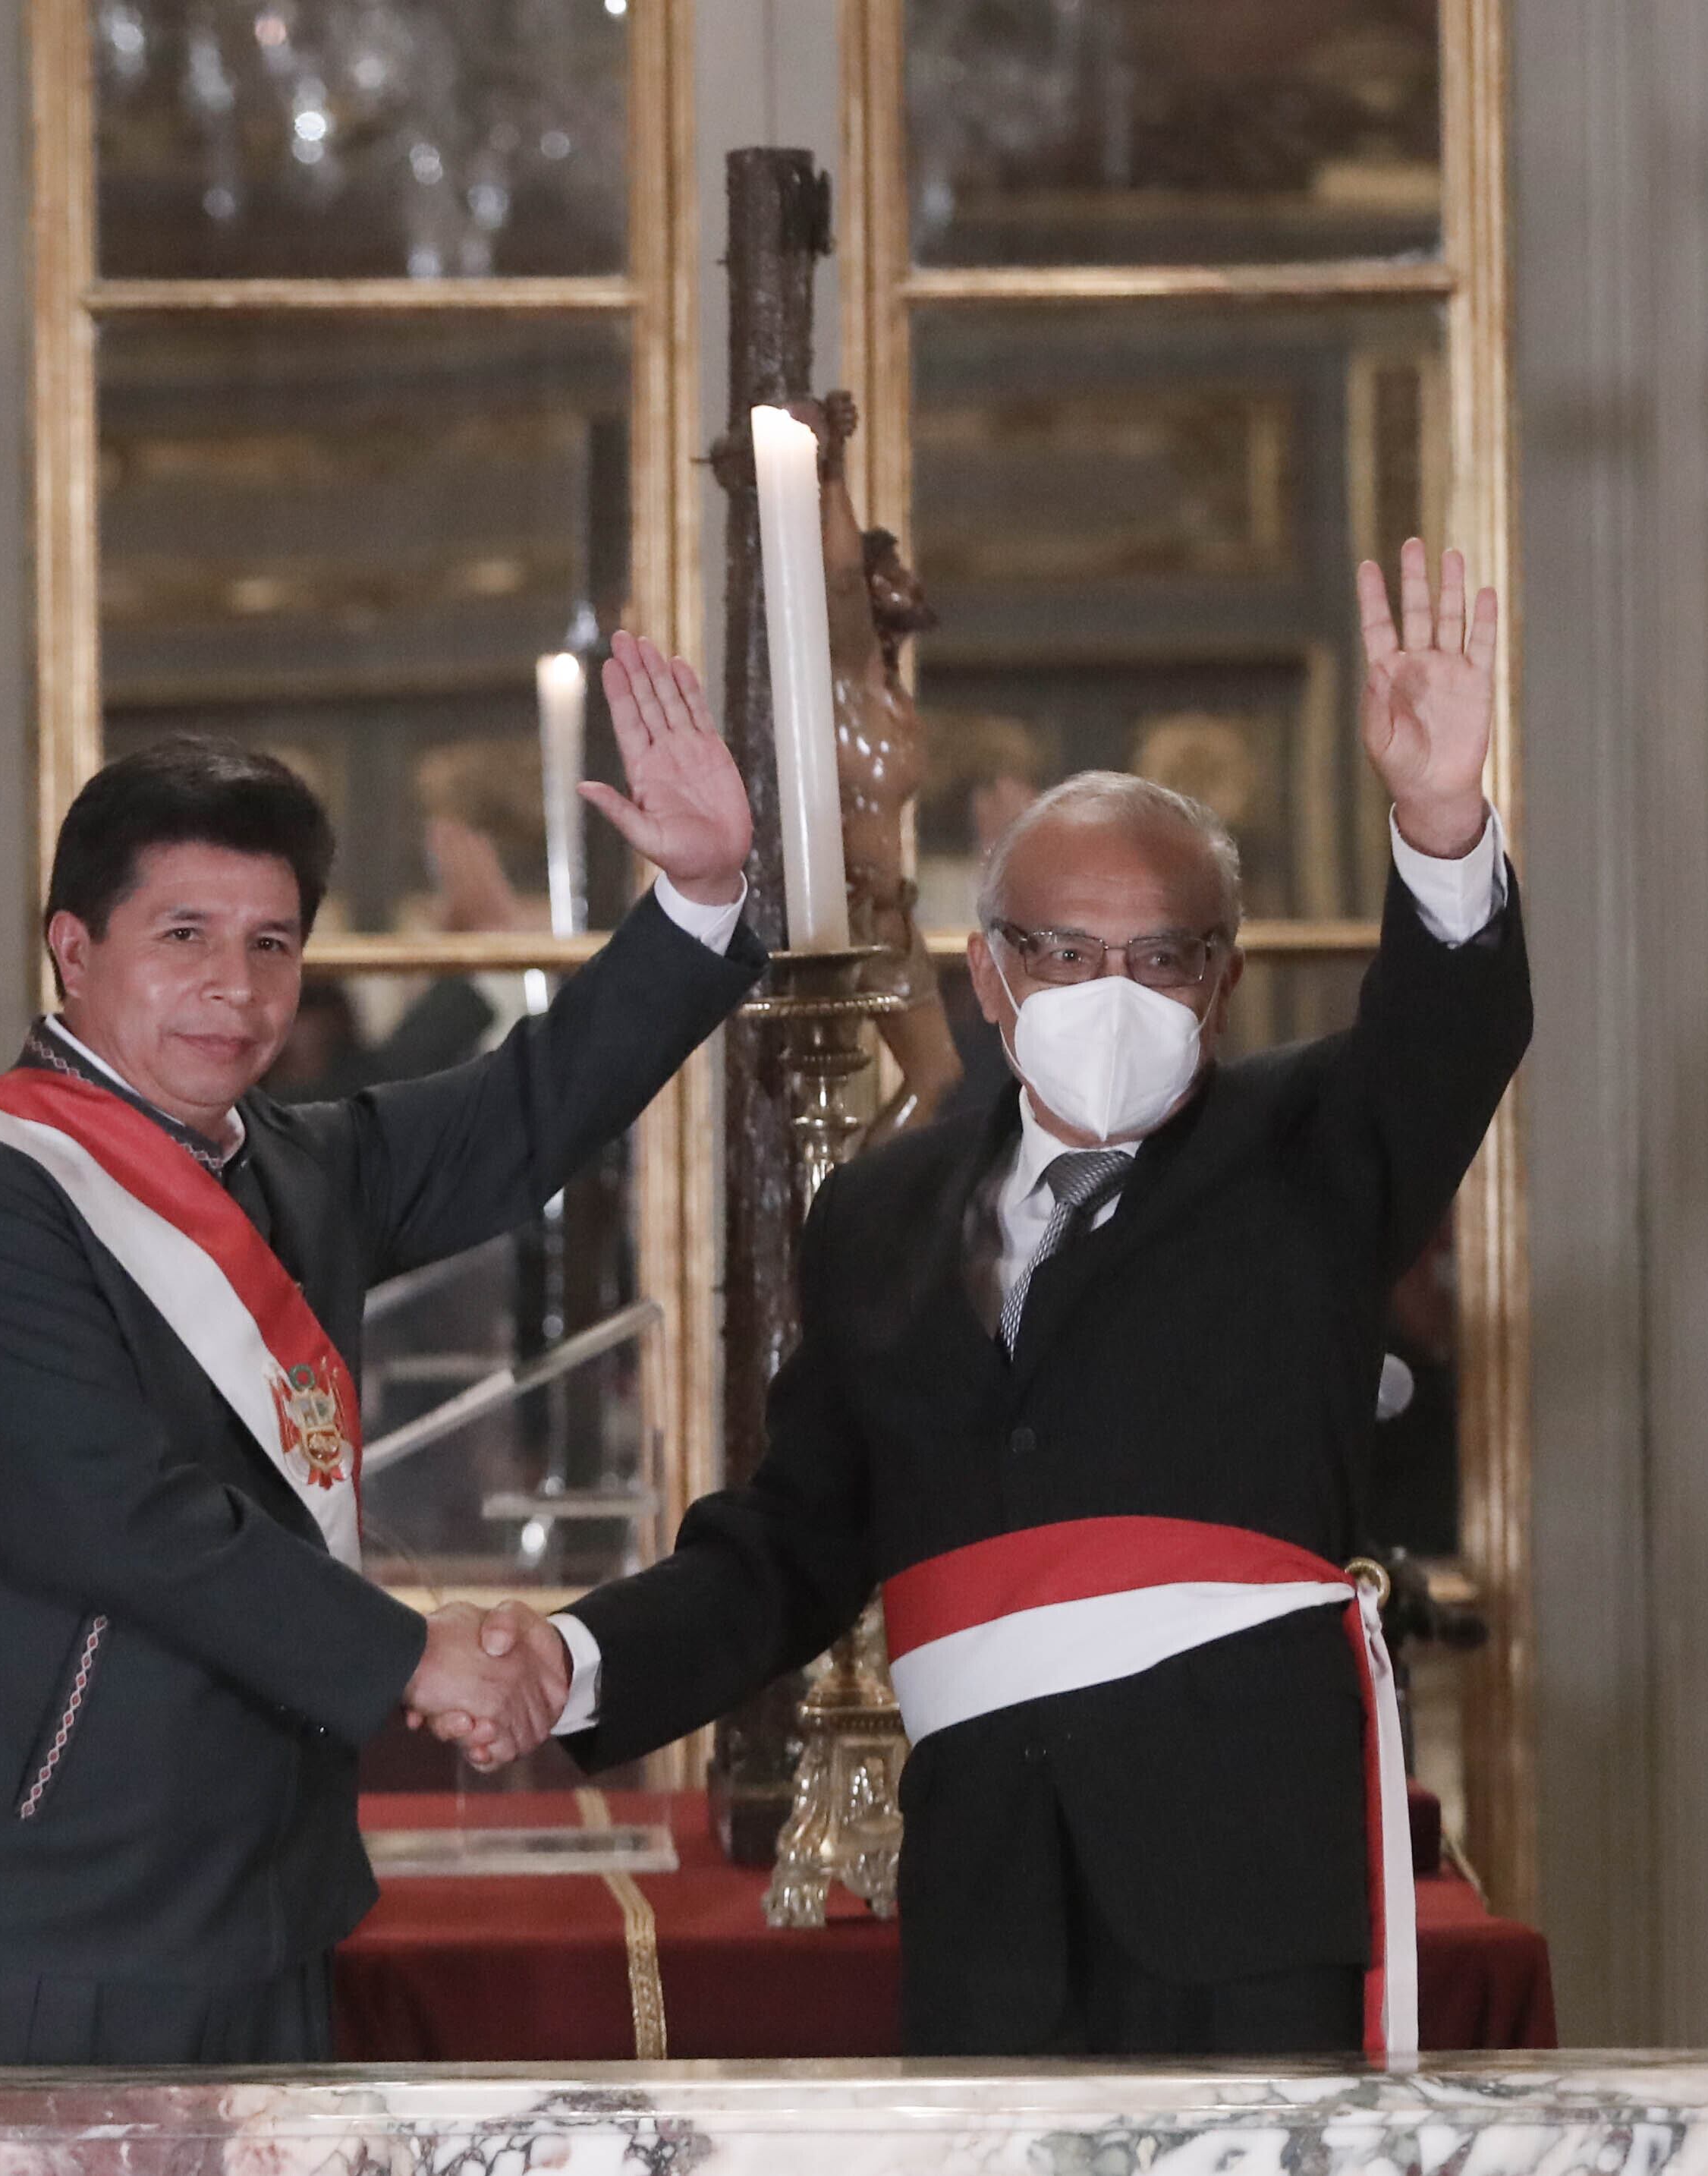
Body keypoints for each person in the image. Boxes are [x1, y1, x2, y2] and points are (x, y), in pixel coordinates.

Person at [474, 543, 1530, 2058]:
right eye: (1064, 951)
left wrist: (1437, 819)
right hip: (985, 1906)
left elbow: (1451, 1029)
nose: (1115, 989)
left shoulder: (1313, 1158)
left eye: (1162, 956)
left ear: (1223, 983)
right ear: (988, 975)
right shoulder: (883, 1216)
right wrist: (579, 1661)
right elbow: (794, 1545)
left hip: (1238, 1905)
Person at [0, 631, 760, 2067]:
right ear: (74, 950)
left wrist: (697, 897)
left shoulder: (294, 1165)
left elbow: (526, 1115)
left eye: (273, 944)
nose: (237, 987)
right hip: (39, 1918)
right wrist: (417, 1658)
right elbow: (117, 1517)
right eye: (183, 936)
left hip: (267, 1901)